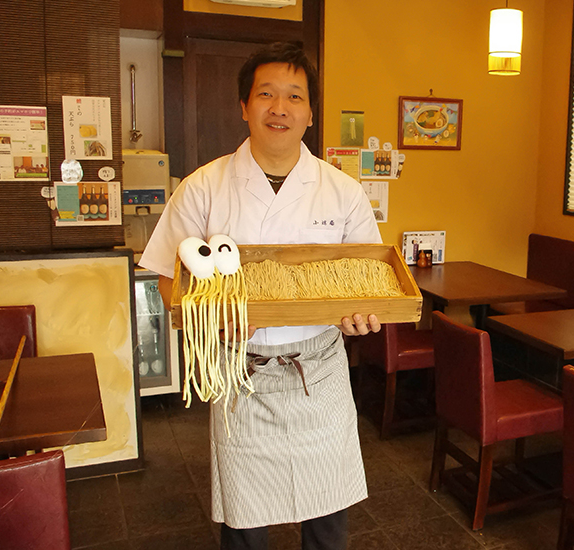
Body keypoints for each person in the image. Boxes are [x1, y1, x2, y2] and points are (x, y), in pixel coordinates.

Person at [139, 42, 381, 550]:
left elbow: (366, 283)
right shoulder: (204, 187)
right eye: (266, 94)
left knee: (327, 519)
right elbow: (167, 278)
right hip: (240, 369)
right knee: (246, 525)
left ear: (311, 112)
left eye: (295, 96)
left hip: (320, 371)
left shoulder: (343, 191)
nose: (280, 108)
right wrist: (209, 318)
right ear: (243, 106)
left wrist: (361, 317)